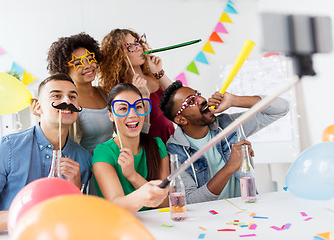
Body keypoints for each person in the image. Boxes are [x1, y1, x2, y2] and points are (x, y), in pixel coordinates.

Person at [0, 74, 92, 238]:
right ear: (38, 107)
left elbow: (83, 220)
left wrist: (75, 191)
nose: (68, 100)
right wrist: (25, 211)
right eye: (57, 95)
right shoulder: (4, 149)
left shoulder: (84, 158)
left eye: (73, 96)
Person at [159, 81, 289, 204]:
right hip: (212, 220)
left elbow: (281, 108)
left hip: (247, 210)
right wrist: (230, 167)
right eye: (191, 101)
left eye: (197, 94)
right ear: (181, 120)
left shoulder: (228, 125)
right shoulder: (175, 151)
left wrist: (234, 100)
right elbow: (190, 201)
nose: (202, 99)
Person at [92, 83, 169, 213]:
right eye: (123, 108)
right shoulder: (104, 153)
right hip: (123, 227)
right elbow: (116, 206)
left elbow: (166, 203)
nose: (132, 114)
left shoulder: (157, 145)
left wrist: (133, 175)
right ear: (111, 115)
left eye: (138, 107)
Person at [99, 29, 174, 144]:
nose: (139, 48)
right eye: (131, 46)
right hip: (151, 146)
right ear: (120, 56)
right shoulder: (122, 91)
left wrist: (159, 72)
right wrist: (144, 97)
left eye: (137, 42)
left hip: (173, 140)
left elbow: (179, 99)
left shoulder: (154, 76)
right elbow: (142, 131)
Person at [47, 32, 113, 155]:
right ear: (64, 69)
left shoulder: (105, 92)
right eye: (77, 63)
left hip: (111, 164)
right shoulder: (66, 103)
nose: (87, 66)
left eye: (89, 59)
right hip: (84, 170)